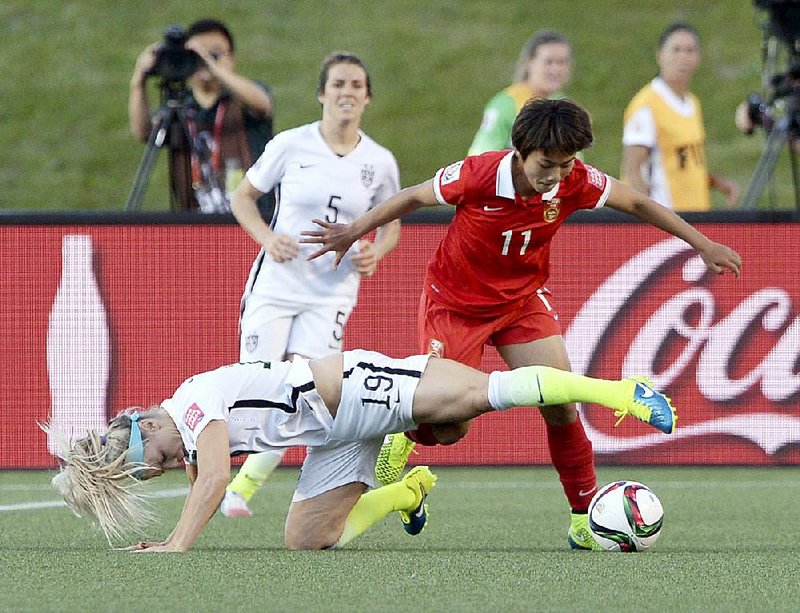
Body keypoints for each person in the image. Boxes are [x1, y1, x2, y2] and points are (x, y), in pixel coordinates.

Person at [301, 97, 741, 551]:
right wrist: (355, 230)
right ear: (520, 152)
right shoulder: (479, 174)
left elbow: (637, 201)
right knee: (451, 428)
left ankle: (582, 518)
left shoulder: (573, 181)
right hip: (455, 306)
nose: (556, 176)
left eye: (566, 164)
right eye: (546, 165)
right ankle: (406, 433)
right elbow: (413, 196)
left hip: (521, 302)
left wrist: (701, 243)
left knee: (561, 404)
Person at [44, 348, 677, 551]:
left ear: (144, 421)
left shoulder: (187, 404)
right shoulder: (179, 431)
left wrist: (178, 545)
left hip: (355, 388)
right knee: (308, 539)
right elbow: (199, 477)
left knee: (486, 396)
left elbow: (212, 480)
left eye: (148, 456)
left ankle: (620, 390)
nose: (157, 464)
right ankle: (406, 491)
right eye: (147, 473)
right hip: (332, 432)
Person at [220, 51, 401, 517]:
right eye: (338, 84)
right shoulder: (290, 145)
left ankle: (243, 488)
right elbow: (243, 196)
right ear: (322, 93)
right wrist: (266, 237)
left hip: (332, 292)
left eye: (357, 85)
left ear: (367, 97)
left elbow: (392, 222)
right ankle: (214, 471)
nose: (347, 92)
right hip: (276, 285)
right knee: (255, 383)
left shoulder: (379, 161)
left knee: (305, 387)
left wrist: (375, 252)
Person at [128, 18, 274, 212]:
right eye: (198, 55)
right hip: (196, 224)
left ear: (232, 59)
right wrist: (138, 81)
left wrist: (213, 67)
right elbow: (144, 131)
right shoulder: (179, 106)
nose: (205, 61)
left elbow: (262, 104)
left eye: (216, 53)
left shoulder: (242, 98)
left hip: (252, 220)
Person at [621, 22, 739, 211]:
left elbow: (683, 161)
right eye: (676, 50)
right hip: (668, 221)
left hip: (695, 217)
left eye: (690, 51)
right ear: (660, 55)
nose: (683, 57)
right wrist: (649, 216)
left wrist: (717, 183)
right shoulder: (647, 106)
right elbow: (633, 170)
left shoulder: (692, 103)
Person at [468, 30, 573, 155]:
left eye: (562, 63)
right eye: (549, 62)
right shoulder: (505, 105)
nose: (556, 70)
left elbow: (575, 160)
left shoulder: (563, 105)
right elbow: (480, 157)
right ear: (529, 62)